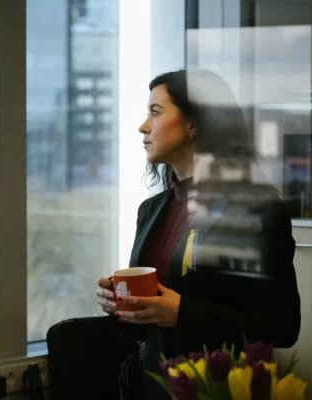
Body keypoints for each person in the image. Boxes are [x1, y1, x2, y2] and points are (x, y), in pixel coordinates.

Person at [96, 69, 300, 399]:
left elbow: (283, 326)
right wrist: (120, 306)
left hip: (215, 388)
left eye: (155, 112)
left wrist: (183, 313)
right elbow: (147, 326)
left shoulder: (257, 210)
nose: (143, 126)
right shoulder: (151, 210)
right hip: (152, 386)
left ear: (195, 123)